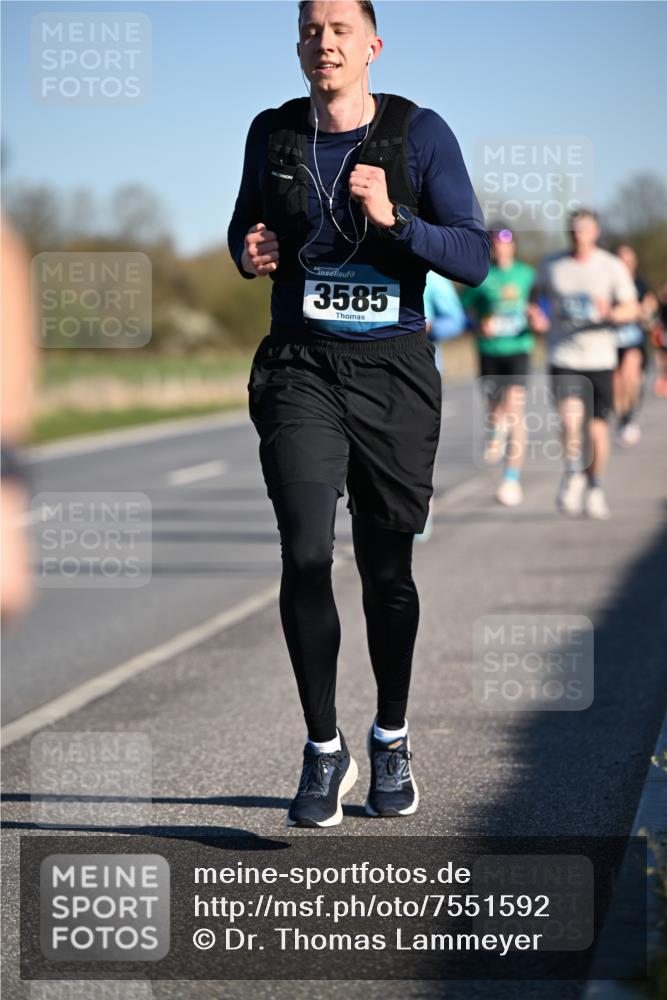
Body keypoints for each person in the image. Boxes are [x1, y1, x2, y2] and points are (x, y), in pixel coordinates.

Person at [228, 0, 489, 827]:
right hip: (301, 367)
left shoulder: (419, 134)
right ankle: (320, 748)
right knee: (306, 552)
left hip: (393, 373)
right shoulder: (271, 134)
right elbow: (244, 226)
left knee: (387, 571)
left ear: (371, 45)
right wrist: (247, 251)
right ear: (298, 45)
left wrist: (396, 221)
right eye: (311, 28)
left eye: (339, 28)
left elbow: (475, 257)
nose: (324, 41)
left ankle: (390, 736)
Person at [528, 209, 638, 520]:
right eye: (573, 229)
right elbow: (536, 298)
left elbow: (632, 308)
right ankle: (573, 471)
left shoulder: (611, 266)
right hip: (564, 355)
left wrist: (612, 314)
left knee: (597, 430)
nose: (578, 234)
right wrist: (537, 315)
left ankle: (595, 486)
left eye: (584, 229)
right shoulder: (552, 265)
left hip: (600, 357)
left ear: (595, 231)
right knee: (570, 418)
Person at [462, 224, 535, 507]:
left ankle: (512, 479)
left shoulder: (527, 274)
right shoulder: (481, 276)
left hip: (518, 349)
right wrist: (478, 324)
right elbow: (462, 313)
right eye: (496, 242)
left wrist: (539, 317)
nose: (502, 247)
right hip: (489, 350)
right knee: (495, 410)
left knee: (515, 409)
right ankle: (495, 428)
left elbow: (542, 306)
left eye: (506, 241)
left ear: (513, 245)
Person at [414, 271, 466, 543]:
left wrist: (430, 328)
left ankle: (421, 506)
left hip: (422, 369)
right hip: (368, 372)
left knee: (418, 444)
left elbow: (456, 320)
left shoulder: (432, 277)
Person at [613, 244, 655, 447]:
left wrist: (645, 312)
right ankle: (623, 418)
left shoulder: (640, 283)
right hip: (612, 342)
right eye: (621, 260)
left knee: (631, 376)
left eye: (628, 261)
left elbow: (650, 306)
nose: (624, 265)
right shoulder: (609, 284)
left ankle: (629, 416)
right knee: (617, 384)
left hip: (633, 340)